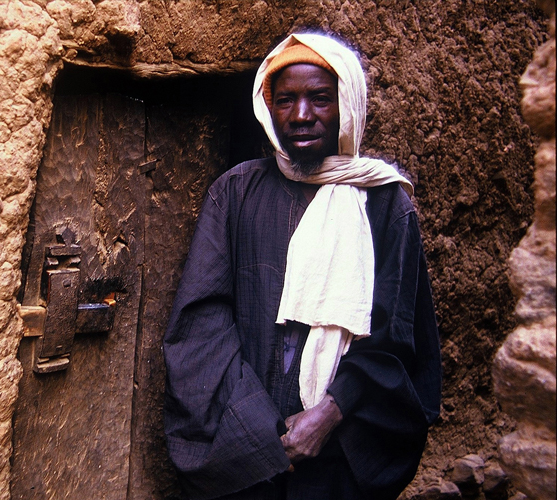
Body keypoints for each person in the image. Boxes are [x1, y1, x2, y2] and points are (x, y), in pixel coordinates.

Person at [163, 32, 442, 500]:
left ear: (347, 105)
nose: (301, 115)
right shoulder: (235, 193)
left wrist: (329, 413)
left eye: (319, 98)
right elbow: (203, 320)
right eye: (286, 100)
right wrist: (258, 428)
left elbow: (396, 336)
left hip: (342, 451)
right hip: (244, 443)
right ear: (268, 108)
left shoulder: (384, 204)